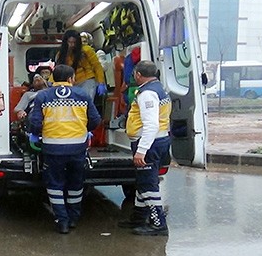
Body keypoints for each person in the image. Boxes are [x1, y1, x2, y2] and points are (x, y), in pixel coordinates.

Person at [28, 64, 102, 234]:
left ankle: (62, 221)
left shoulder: (43, 96)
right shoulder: (83, 95)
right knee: (76, 183)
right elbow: (95, 120)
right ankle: (74, 218)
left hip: (52, 148)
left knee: (55, 184)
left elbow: (36, 122)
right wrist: (84, 130)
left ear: (53, 78)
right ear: (71, 79)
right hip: (77, 147)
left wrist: (35, 134)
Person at [118, 60, 171, 236]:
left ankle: (158, 224)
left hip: (150, 143)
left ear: (138, 75)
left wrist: (141, 151)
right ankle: (139, 219)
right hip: (158, 141)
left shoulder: (148, 94)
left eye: (134, 73)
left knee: (148, 186)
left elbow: (151, 124)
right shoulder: (158, 88)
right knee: (143, 183)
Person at [55, 29, 106, 100]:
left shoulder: (87, 50)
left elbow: (97, 66)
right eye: (69, 42)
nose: (72, 45)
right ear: (65, 42)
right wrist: (50, 84)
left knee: (86, 101)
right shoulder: (61, 54)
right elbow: (57, 71)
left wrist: (101, 82)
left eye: (74, 42)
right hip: (71, 83)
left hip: (87, 80)